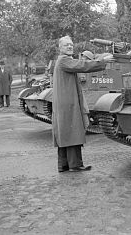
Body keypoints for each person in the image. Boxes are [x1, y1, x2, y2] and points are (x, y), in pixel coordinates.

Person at [52, 36, 114, 173]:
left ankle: (64, 165)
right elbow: (83, 65)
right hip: (68, 103)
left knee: (65, 133)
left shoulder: (62, 61)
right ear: (60, 48)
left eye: (71, 45)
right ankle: (75, 165)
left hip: (65, 102)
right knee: (73, 131)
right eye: (66, 45)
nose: (69, 47)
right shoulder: (64, 60)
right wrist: (101, 61)